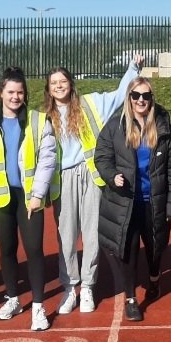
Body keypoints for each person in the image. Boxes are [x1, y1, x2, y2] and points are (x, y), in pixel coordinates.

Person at [45, 55, 143, 316]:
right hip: (62, 179)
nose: (59, 86)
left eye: (62, 81)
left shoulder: (91, 103)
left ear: (71, 83)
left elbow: (120, 94)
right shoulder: (44, 117)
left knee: (91, 234)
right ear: (48, 88)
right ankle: (69, 288)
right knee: (66, 236)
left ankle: (87, 286)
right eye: (53, 82)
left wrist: (132, 68)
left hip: (90, 175)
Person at [0, 66, 57, 331]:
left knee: (33, 250)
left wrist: (38, 195)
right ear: (0, 93)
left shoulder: (38, 120)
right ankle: (12, 298)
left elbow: (47, 159)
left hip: (29, 197)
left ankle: (39, 307)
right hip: (0, 197)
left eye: (20, 92)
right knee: (7, 251)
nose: (15, 97)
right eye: (10, 92)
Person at [95, 77, 171, 322]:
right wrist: (112, 176)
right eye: (136, 95)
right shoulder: (115, 126)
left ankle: (155, 278)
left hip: (154, 200)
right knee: (128, 250)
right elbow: (101, 157)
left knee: (155, 250)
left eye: (145, 95)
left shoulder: (165, 128)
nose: (141, 100)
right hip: (127, 201)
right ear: (129, 98)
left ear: (151, 99)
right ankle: (132, 298)